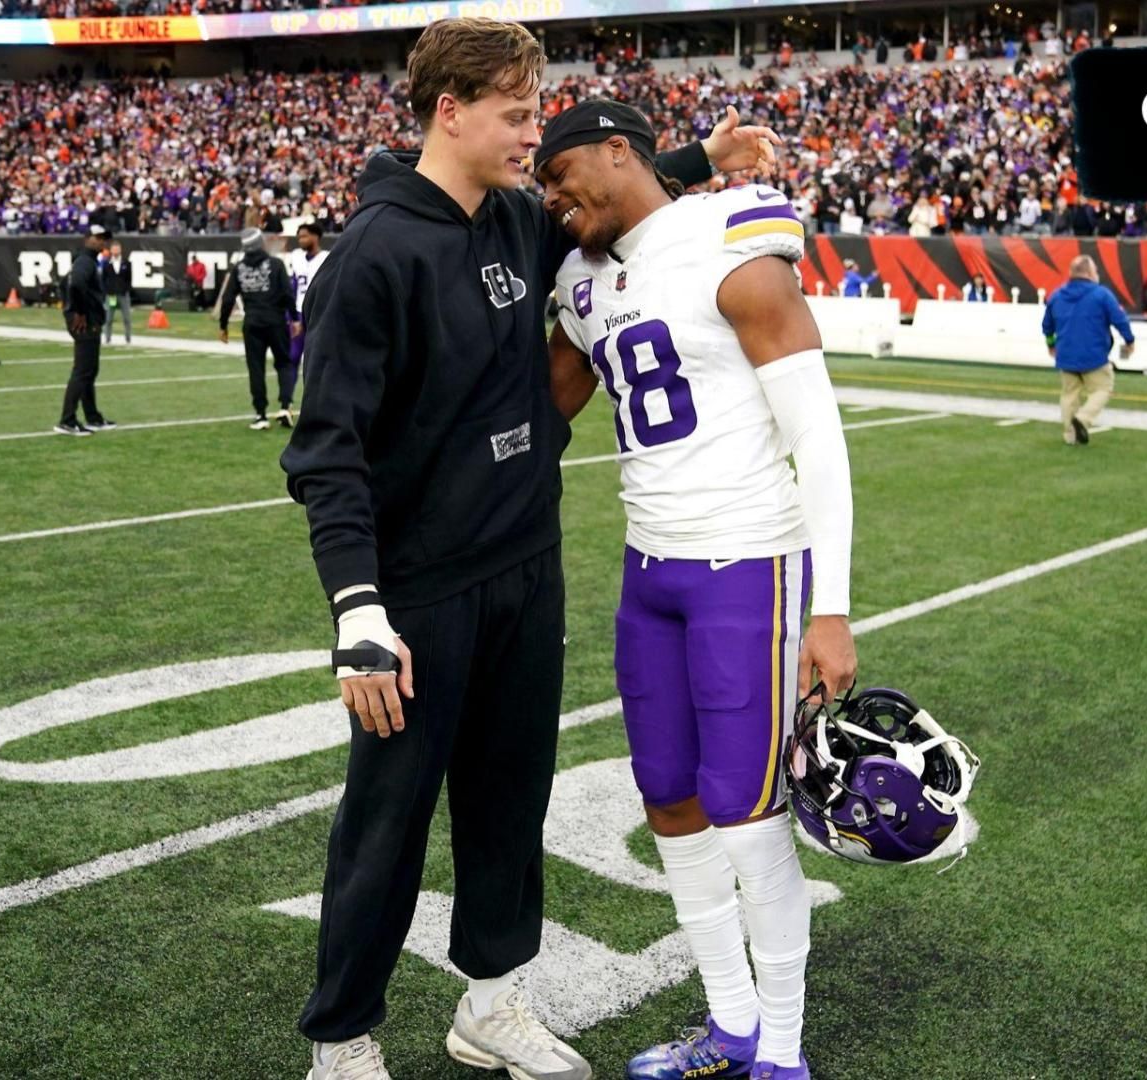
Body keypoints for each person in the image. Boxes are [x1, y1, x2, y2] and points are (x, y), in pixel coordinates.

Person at [279, 18, 778, 1080]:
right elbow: (325, 452)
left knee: (512, 799)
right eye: (513, 115)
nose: (531, 137)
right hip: (417, 592)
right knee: (388, 819)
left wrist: (705, 159)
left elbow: (607, 199)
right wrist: (357, 611)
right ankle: (343, 1042)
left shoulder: (514, 219)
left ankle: (492, 1005)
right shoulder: (371, 256)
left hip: (523, 568)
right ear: (448, 113)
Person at [538, 98, 853, 1080]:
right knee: (669, 799)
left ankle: (784, 1056)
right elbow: (544, 408)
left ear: (615, 152)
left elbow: (817, 436)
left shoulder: (733, 236)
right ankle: (731, 1027)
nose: (550, 202)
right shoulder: (578, 279)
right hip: (649, 572)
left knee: (747, 813)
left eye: (558, 178)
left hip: (744, 568)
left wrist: (831, 607)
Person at [1042, 255, 1134, 445]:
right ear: (1090, 273)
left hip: (1066, 354)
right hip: (1094, 355)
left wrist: (1051, 345)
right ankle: (1083, 419)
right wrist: (1129, 340)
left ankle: (1070, 435)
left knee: (1069, 394)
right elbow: (1119, 319)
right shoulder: (1101, 295)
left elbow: (1047, 326)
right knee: (1103, 388)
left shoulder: (1057, 295)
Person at [216, 228, 298, 430]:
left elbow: (227, 299)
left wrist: (223, 325)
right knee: (285, 364)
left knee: (256, 369)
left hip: (252, 323)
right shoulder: (276, 264)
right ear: (261, 243)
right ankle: (285, 407)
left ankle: (261, 415)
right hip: (276, 321)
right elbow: (288, 294)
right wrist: (294, 319)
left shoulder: (239, 268)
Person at [56, 224, 115, 436]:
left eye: (104, 238)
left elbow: (65, 284)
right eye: (98, 238)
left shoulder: (87, 260)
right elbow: (74, 285)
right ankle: (67, 419)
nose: (102, 242)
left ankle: (92, 416)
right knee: (83, 371)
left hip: (87, 319)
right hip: (85, 322)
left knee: (88, 371)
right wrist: (78, 311)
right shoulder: (85, 261)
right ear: (88, 239)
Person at [286, 222, 329, 375]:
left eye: (304, 236)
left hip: (319, 312)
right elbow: (294, 285)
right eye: (299, 237)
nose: (301, 240)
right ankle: (287, 398)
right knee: (293, 355)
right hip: (299, 311)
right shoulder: (296, 256)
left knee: (318, 357)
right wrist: (290, 314)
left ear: (315, 237)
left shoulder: (327, 258)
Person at [101, 241, 133, 344]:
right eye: (113, 249)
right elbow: (103, 279)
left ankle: (128, 338)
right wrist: (108, 291)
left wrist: (126, 289)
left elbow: (129, 279)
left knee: (126, 318)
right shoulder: (107, 264)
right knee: (109, 318)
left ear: (120, 250)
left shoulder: (126, 263)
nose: (115, 251)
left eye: (117, 249)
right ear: (111, 250)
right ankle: (107, 338)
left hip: (123, 295)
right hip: (112, 296)